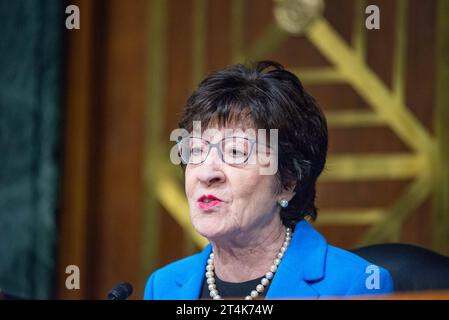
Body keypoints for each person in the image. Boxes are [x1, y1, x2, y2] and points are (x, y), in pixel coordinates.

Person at [144, 61, 393, 300]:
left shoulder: (356, 285)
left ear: (287, 182)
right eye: (196, 150)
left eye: (235, 152)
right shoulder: (163, 286)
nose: (207, 174)